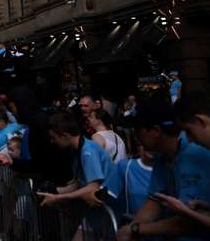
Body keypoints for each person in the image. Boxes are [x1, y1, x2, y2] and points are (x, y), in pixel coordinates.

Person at [116, 97, 210, 240]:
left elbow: (189, 221)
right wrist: (130, 230)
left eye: (137, 130)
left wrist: (136, 229)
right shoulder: (161, 156)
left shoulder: (196, 152)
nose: (136, 137)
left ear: (155, 131)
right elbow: (155, 200)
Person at [38, 111, 120, 212]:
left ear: (64, 136)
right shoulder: (77, 150)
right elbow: (80, 183)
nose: (52, 141)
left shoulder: (88, 152)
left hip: (110, 208)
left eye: (53, 138)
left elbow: (92, 187)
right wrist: (54, 191)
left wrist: (58, 198)